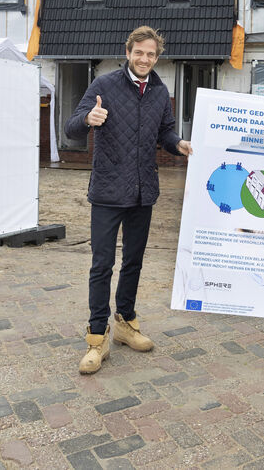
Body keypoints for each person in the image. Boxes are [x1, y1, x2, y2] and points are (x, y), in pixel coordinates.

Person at [64, 26, 192, 374]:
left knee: (133, 262)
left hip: (142, 191)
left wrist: (177, 143)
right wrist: (89, 119)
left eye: (151, 54)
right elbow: (70, 127)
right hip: (107, 191)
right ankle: (96, 337)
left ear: (156, 57)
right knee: (102, 265)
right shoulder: (104, 85)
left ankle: (125, 322)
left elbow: (164, 131)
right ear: (128, 52)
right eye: (139, 52)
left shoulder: (159, 91)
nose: (145, 59)